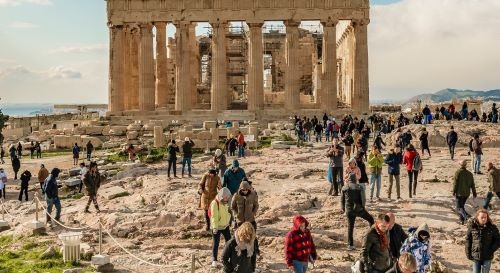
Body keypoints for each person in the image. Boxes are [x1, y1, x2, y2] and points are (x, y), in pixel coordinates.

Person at [341, 173, 374, 250]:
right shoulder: (359, 187)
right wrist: (363, 208)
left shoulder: (344, 187)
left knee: (350, 226)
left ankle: (350, 245)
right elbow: (363, 200)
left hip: (349, 210)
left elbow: (342, 201)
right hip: (359, 209)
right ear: (355, 179)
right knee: (371, 219)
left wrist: (343, 209)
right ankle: (373, 238)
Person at [465, 209, 500, 273]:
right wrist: (468, 253)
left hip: (488, 256)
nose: (484, 219)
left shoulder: (492, 227)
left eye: (485, 217)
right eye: (482, 217)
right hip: (475, 256)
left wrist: (491, 249)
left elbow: (498, 240)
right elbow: (468, 240)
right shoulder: (472, 227)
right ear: (477, 217)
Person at [210, 187, 232, 267]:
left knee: (229, 242)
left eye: (228, 197)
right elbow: (214, 216)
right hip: (216, 227)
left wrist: (228, 221)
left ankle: (230, 257)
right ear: (222, 196)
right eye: (226, 197)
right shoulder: (215, 203)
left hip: (225, 226)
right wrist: (215, 227)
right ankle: (214, 260)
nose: (227, 198)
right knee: (216, 243)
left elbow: (226, 213)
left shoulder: (225, 202)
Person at [453, 160, 477, 224]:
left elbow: (455, 183)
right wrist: (474, 193)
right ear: (466, 165)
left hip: (459, 193)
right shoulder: (470, 174)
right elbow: (473, 184)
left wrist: (454, 191)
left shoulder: (458, 172)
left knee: (459, 207)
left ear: (460, 165)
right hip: (467, 193)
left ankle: (467, 218)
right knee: (462, 206)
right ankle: (461, 220)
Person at [199, 167, 222, 231]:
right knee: (206, 212)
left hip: (213, 197)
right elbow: (201, 184)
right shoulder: (205, 176)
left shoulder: (217, 178)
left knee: (212, 211)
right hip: (205, 196)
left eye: (213, 174)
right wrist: (200, 189)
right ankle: (207, 225)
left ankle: (213, 224)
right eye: (210, 174)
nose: (211, 175)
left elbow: (219, 187)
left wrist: (220, 186)